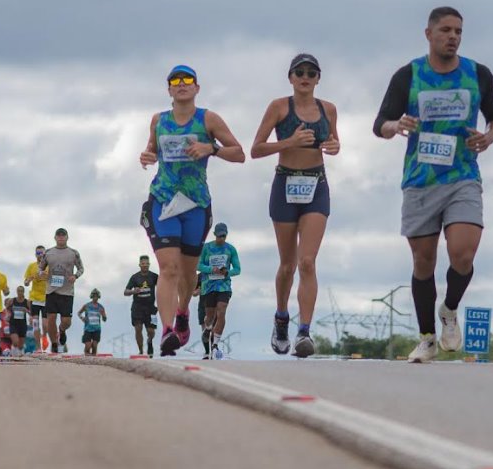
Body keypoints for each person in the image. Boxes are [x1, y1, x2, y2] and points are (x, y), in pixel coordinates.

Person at [373, 6, 493, 363]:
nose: (453, 37)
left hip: (463, 176)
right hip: (421, 179)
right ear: (428, 34)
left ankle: (449, 309)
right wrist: (396, 125)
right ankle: (427, 337)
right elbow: (380, 123)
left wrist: (488, 137)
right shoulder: (408, 75)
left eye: (458, 31)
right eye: (446, 30)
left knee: (464, 252)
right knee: (423, 261)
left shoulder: (477, 74)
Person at [139, 64, 245, 356]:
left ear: (197, 88)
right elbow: (151, 150)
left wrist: (212, 148)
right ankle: (167, 331)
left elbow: (239, 153)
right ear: (169, 90)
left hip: (196, 204)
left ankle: (183, 311)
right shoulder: (158, 120)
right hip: (163, 201)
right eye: (175, 81)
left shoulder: (208, 119)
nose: (181, 84)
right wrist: (147, 156)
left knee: (187, 274)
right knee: (168, 268)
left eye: (187, 80)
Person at [249, 53, 341, 358]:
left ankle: (304, 331)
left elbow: (334, 142)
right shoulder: (278, 107)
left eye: (311, 73)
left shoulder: (328, 109)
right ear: (290, 77)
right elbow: (256, 149)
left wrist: (334, 146)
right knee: (287, 265)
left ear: (318, 79)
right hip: (285, 184)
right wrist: (289, 142)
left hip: (316, 185)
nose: (305, 77)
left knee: (308, 262)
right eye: (299, 72)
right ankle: (281, 318)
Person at [197, 223, 241, 360]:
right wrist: (211, 269)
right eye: (219, 236)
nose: (221, 238)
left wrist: (227, 272)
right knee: (209, 317)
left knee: (221, 312)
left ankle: (215, 344)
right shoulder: (206, 248)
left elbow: (238, 269)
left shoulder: (230, 249)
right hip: (208, 287)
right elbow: (198, 265)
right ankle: (207, 328)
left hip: (224, 287)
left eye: (223, 236)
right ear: (214, 235)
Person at [42, 228, 84, 354]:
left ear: (67, 237)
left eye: (63, 235)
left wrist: (75, 276)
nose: (61, 237)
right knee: (51, 318)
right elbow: (40, 268)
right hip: (51, 290)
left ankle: (62, 330)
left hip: (67, 291)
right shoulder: (48, 252)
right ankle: (54, 343)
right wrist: (42, 273)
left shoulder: (73, 253)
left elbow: (81, 268)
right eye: (58, 235)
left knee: (66, 321)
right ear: (55, 238)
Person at [124, 255, 160, 356]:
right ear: (139, 265)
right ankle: (140, 351)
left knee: (151, 331)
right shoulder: (134, 277)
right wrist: (133, 291)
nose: (145, 265)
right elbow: (125, 292)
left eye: (147, 264)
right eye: (143, 264)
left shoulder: (154, 276)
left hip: (151, 308)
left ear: (149, 264)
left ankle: (149, 341)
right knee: (138, 329)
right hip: (137, 307)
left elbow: (164, 285)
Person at [23, 245, 49, 353]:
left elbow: (55, 280)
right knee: (35, 324)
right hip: (34, 298)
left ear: (45, 254)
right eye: (38, 253)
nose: (40, 255)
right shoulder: (31, 266)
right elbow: (25, 282)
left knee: (45, 324)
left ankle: (45, 336)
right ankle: (38, 347)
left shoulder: (49, 266)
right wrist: (28, 280)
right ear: (35, 255)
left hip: (47, 298)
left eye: (42, 253)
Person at [78, 290, 108, 356]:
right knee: (88, 346)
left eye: (97, 296)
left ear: (98, 297)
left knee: (94, 346)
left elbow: (104, 319)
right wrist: (82, 318)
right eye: (94, 296)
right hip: (88, 328)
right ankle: (86, 354)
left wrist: (103, 316)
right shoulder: (86, 305)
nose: (95, 298)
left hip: (97, 329)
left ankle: (94, 358)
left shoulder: (101, 307)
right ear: (91, 296)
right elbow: (79, 313)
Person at [6, 285, 31, 356]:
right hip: (13, 323)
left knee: (20, 345)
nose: (20, 293)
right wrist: (8, 315)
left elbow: (31, 313)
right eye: (18, 291)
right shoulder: (12, 300)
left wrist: (26, 310)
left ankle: (18, 356)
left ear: (23, 292)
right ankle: (13, 354)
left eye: (21, 291)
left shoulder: (27, 302)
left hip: (22, 324)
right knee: (15, 342)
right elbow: (7, 309)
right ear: (16, 292)